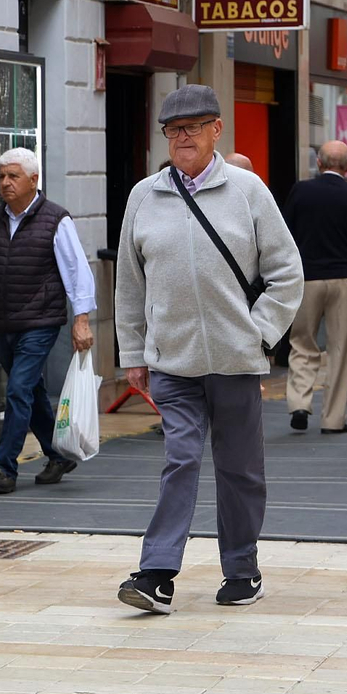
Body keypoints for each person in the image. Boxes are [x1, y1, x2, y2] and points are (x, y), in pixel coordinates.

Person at [114, 85, 303, 614]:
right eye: (173, 130)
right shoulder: (144, 196)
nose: (182, 138)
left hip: (234, 360)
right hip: (172, 360)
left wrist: (259, 333)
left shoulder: (248, 190)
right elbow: (130, 283)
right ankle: (156, 572)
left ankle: (241, 568)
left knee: (240, 469)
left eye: (193, 128)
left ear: (217, 130)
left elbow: (288, 272)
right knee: (179, 460)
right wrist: (134, 351)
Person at [0, 146, 95, 495]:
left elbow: (77, 272)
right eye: (1, 177)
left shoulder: (56, 219)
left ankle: (4, 468)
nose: (5, 183)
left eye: (13, 176)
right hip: (2, 321)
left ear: (33, 179)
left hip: (40, 321)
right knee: (29, 390)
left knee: (16, 391)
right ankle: (57, 455)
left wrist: (82, 319)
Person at [281, 141, 347, 434]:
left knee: (302, 342)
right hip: (345, 279)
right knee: (340, 349)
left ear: (319, 163)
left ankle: (299, 403)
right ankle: (333, 419)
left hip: (307, 279)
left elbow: (285, 233)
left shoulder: (301, 191)